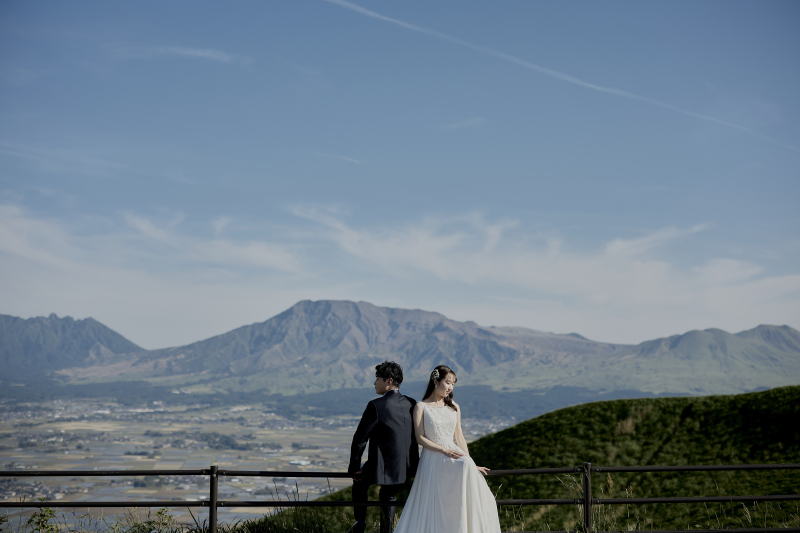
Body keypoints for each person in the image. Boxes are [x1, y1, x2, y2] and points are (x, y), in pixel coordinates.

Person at [392, 364, 501, 533]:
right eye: (448, 382)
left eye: (453, 383)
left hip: (453, 453)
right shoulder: (421, 406)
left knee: (468, 475)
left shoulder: (454, 407)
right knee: (436, 504)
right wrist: (443, 450)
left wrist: (472, 463)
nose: (450, 387)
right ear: (436, 381)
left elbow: (460, 437)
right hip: (433, 456)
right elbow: (420, 438)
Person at [348, 361, 419, 533]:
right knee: (388, 495)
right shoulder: (412, 403)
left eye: (377, 379)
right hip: (409, 465)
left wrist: (354, 467)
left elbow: (360, 439)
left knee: (359, 483)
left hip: (382, 464)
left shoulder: (376, 405)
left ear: (388, 381)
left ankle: (360, 522)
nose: (374, 383)